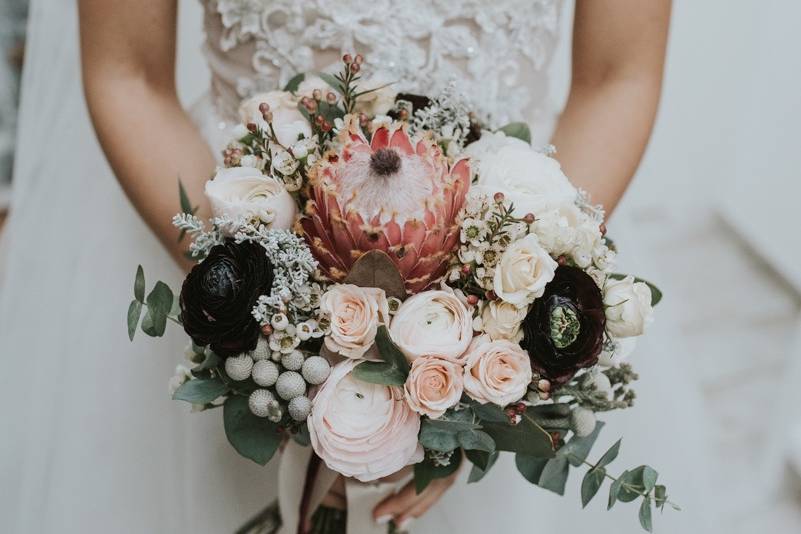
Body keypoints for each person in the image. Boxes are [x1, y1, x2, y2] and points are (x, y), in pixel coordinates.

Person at [1, 0, 712, 532]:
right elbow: (128, 74)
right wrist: (263, 318)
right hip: (220, 249)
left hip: (512, 259)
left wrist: (487, 361)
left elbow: (617, 77)